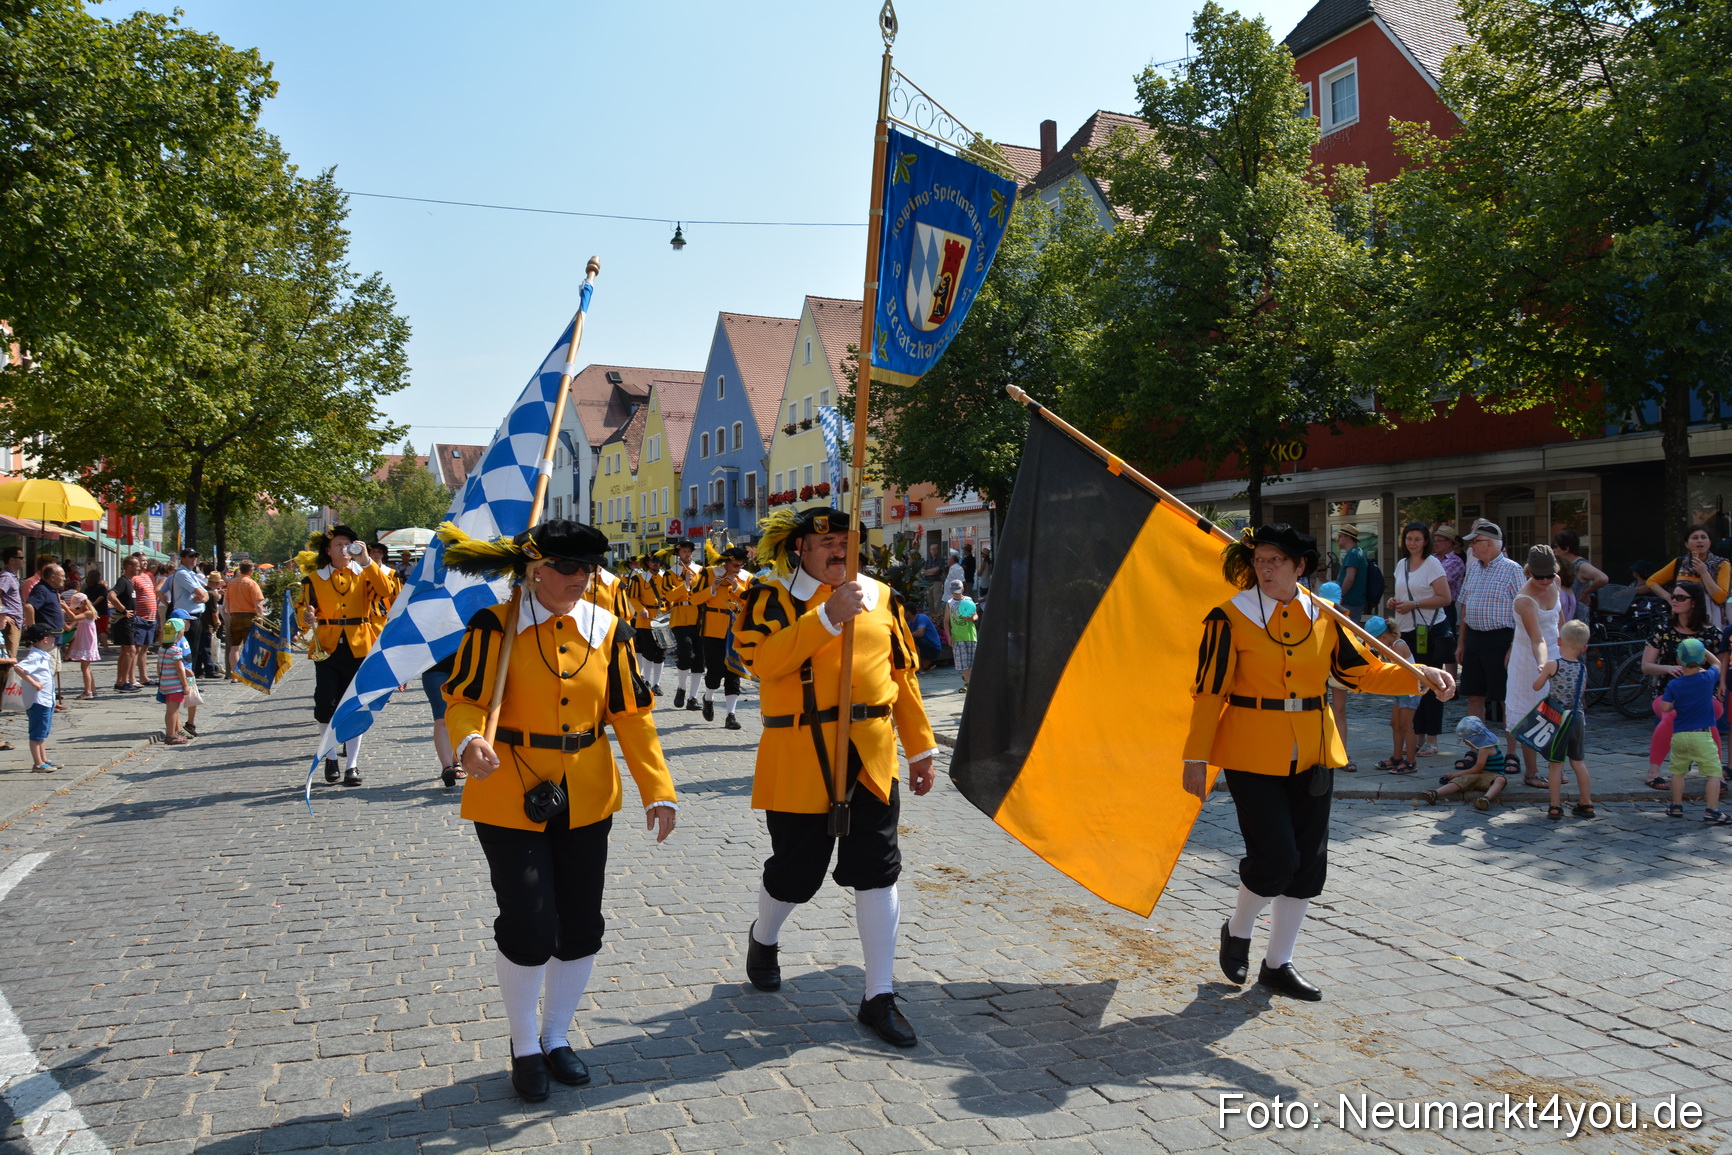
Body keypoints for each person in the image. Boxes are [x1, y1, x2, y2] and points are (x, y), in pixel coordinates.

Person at [440, 518, 677, 1101]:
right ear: (534, 568)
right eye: (568, 567)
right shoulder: (495, 626)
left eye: (590, 568)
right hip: (506, 790)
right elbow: (462, 701)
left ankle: (557, 1035)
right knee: (528, 920)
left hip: (588, 790)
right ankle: (524, 1045)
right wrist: (471, 741)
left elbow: (631, 716)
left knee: (580, 922)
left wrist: (659, 788)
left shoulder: (609, 628)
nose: (582, 578)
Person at [1183, 525, 1454, 1001]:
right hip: (1250, 752)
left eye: (1276, 561)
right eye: (1260, 560)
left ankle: (1277, 964)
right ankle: (1238, 928)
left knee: (1307, 863)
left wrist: (1419, 676)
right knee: (1276, 859)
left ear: (1299, 567)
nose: (1265, 569)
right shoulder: (1229, 617)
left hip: (1313, 749)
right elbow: (1209, 692)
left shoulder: (1324, 613)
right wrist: (1195, 757)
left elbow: (1361, 670)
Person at [735, 507, 938, 1047]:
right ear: (800, 547)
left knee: (878, 869)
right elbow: (761, 661)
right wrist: (826, 619)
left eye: (846, 541)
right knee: (797, 873)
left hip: (871, 754)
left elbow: (902, 675)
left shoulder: (881, 596)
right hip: (799, 752)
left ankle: (879, 995)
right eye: (824, 542)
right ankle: (764, 935)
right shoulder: (770, 598)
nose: (837, 551)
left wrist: (920, 749)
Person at [295, 525, 395, 785]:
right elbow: (302, 613)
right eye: (338, 544)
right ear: (327, 551)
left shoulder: (365, 573)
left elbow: (386, 591)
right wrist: (305, 618)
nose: (343, 548)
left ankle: (352, 765)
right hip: (326, 648)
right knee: (325, 704)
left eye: (347, 544)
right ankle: (330, 757)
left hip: (359, 645)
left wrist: (367, 561)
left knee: (355, 704)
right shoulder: (313, 579)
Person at [1639, 581, 1724, 791]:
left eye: (1680, 597)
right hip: (1669, 692)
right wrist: (1667, 668)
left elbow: (1721, 664)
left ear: (1694, 603)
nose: (1674, 601)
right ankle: (1653, 772)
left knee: (1708, 716)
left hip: (1702, 692)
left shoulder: (1711, 632)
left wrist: (1713, 679)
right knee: (1671, 715)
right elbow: (1646, 666)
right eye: (1673, 596)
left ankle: (1716, 773)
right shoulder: (1663, 630)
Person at [1386, 522, 1453, 758]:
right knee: (1412, 684)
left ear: (1425, 542)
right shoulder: (1401, 564)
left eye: (1417, 539)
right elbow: (1402, 594)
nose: (1412, 543)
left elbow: (1445, 597)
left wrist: (1414, 604)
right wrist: (1394, 602)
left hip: (1429, 629)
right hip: (1406, 630)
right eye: (1409, 538)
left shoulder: (1432, 564)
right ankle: (1418, 736)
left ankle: (1432, 739)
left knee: (1431, 682)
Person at [1454, 519, 1523, 733]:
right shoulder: (1473, 569)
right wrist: (1461, 643)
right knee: (1474, 695)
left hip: (1501, 639)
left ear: (1490, 543)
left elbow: (1523, 612)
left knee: (1504, 698)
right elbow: (1465, 607)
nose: (1471, 546)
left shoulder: (1512, 570)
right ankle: (1476, 748)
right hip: (1475, 639)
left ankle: (1511, 753)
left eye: (1475, 541)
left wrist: (1513, 647)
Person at [1505, 546, 1563, 790]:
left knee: (1556, 712)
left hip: (1555, 653)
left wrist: (1569, 647)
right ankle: (1531, 771)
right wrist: (1542, 663)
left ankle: (1555, 768)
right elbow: (1536, 639)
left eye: (1549, 575)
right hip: (1530, 659)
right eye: (1540, 576)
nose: (1546, 581)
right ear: (1530, 572)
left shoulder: (1556, 582)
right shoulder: (1525, 600)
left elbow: (1559, 620)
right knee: (1531, 713)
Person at [1659, 637, 1724, 822]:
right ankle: (1712, 810)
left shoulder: (1674, 684)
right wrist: (1705, 651)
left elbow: (1665, 708)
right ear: (1702, 659)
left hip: (1680, 735)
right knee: (1713, 773)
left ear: (1678, 661)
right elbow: (1718, 663)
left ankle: (1676, 806)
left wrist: (1673, 706)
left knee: (1678, 771)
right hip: (1702, 735)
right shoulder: (1707, 678)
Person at [1537, 619, 1595, 820]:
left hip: (1557, 718)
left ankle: (1555, 806)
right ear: (1584, 647)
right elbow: (1582, 693)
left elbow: (1537, 686)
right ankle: (1586, 803)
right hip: (1577, 717)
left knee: (1555, 764)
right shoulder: (1582, 669)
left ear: (1559, 641)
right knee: (1578, 762)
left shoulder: (1553, 664)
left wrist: (1543, 672)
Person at [692, 546, 750, 729]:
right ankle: (708, 698)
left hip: (736, 629)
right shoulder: (708, 573)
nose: (738, 568)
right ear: (726, 562)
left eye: (741, 565)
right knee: (715, 671)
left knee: (734, 672)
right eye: (734, 565)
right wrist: (712, 589)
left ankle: (730, 715)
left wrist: (737, 588)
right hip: (712, 628)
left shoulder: (747, 578)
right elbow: (693, 599)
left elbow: (753, 602)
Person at [1645, 526, 1731, 629]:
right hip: (1682, 619)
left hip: (1711, 620)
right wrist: (1670, 598)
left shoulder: (1721, 564)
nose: (1700, 541)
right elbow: (1652, 581)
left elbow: (1720, 598)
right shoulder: (1680, 562)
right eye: (1695, 538)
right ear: (1687, 544)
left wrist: (1704, 573)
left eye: (1703, 537)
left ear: (1709, 543)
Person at [1363, 617, 1419, 772]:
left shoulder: (1398, 646)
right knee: (1395, 724)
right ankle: (1397, 757)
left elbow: (1392, 668)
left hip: (1409, 691)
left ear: (1383, 637)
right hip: (1399, 690)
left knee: (1406, 725)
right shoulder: (1389, 646)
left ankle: (1411, 761)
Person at [1419, 715, 1508, 810]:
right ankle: (1435, 793)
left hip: (1492, 776)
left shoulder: (1484, 748)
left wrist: (1457, 774)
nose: (1465, 743)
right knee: (1462, 780)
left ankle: (1485, 799)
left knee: (1500, 780)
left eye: (1466, 741)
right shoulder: (1481, 746)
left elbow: (1478, 768)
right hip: (1480, 775)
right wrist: (1459, 776)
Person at [659, 538, 706, 710]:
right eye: (684, 551)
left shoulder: (700, 570)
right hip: (679, 617)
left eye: (689, 551)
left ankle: (693, 698)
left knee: (699, 660)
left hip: (699, 618)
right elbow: (669, 596)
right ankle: (681, 687)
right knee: (686, 653)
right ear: (678, 554)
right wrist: (685, 583)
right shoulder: (670, 574)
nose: (687, 554)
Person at [15, 624, 59, 772]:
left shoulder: (41, 655)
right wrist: (34, 683)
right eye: (52, 637)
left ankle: (44, 758)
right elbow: (19, 668)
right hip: (38, 700)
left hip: (46, 699)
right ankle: (38, 763)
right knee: (37, 733)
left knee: (43, 732)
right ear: (45, 639)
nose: (54, 639)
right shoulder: (35, 656)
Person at [23, 563, 67, 712]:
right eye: (62, 576)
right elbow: (29, 606)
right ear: (52, 577)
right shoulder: (41, 589)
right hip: (46, 640)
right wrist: (33, 630)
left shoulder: (52, 590)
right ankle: (44, 702)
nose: (65, 579)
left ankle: (51, 700)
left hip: (54, 639)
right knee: (46, 672)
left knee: (52, 671)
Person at [165, 548, 213, 679]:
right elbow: (201, 593)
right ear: (183, 558)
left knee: (194, 651)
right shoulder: (182, 574)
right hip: (186, 618)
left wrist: (203, 597)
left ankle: (191, 679)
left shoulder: (191, 574)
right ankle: (185, 680)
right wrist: (203, 596)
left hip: (195, 616)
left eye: (195, 556)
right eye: (191, 556)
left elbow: (206, 594)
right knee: (187, 651)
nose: (194, 559)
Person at [624, 554, 667, 695]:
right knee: (648, 651)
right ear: (647, 563)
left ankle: (657, 684)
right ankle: (646, 681)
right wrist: (641, 609)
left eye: (658, 561)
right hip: (645, 619)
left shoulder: (666, 577)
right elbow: (632, 597)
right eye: (653, 561)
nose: (656, 564)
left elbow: (670, 596)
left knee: (660, 652)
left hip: (661, 619)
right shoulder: (638, 578)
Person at [1553, 530, 1606, 625]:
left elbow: (1602, 578)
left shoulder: (1581, 565)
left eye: (1556, 547)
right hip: (1567, 612)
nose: (1554, 550)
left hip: (1577, 614)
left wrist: (1586, 593)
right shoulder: (1568, 564)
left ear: (1566, 549)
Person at [157, 614, 194, 745]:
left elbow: (158, 668)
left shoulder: (162, 649)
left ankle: (172, 732)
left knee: (170, 710)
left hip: (165, 684)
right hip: (175, 686)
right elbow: (180, 669)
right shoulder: (176, 651)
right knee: (173, 711)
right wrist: (185, 685)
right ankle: (171, 735)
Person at [224, 561, 265, 678]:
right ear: (251, 571)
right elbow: (258, 605)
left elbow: (226, 603)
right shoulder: (252, 584)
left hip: (235, 617)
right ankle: (250, 673)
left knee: (234, 647)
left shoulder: (231, 583)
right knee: (251, 646)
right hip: (249, 617)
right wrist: (260, 620)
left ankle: (236, 675)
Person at [60, 581, 99, 700]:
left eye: (77, 606)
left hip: (87, 642)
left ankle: (88, 692)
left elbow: (73, 617)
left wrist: (65, 608)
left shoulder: (88, 613)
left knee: (85, 667)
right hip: (84, 641)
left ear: (83, 603)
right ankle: (92, 689)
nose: (76, 608)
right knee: (86, 667)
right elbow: (70, 623)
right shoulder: (83, 612)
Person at [107, 556, 139, 691]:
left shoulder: (129, 582)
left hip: (128, 621)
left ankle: (120, 681)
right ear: (129, 567)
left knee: (125, 651)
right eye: (137, 565)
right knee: (130, 650)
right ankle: (123, 682)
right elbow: (111, 596)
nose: (139, 568)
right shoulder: (123, 581)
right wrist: (123, 610)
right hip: (124, 621)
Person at [130, 554, 159, 687]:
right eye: (142, 561)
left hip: (151, 617)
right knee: (135, 648)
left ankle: (143, 676)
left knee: (144, 648)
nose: (145, 563)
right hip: (139, 617)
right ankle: (132, 678)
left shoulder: (147, 576)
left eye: (146, 561)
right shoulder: (133, 579)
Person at [943, 578, 979, 687]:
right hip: (957, 637)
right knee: (964, 663)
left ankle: (968, 679)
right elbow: (946, 621)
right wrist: (949, 636)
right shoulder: (949, 603)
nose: (955, 594)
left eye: (957, 591)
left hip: (970, 635)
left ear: (962, 589)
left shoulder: (968, 600)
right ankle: (968, 683)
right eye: (953, 592)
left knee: (972, 662)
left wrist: (972, 618)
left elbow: (976, 615)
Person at [0, 547, 22, 701]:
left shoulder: (13, 576)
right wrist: (4, 615)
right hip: (9, 623)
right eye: (21, 557)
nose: (23, 560)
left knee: (10, 660)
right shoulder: (6, 576)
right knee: (8, 661)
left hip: (16, 622)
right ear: (11, 560)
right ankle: (3, 699)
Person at [1334, 527, 1368, 621]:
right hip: (1354, 602)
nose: (1338, 539)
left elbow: (1350, 578)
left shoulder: (1353, 553)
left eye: (1340, 536)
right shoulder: (1358, 551)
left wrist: (1339, 596)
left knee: (1347, 633)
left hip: (1350, 603)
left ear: (1348, 537)